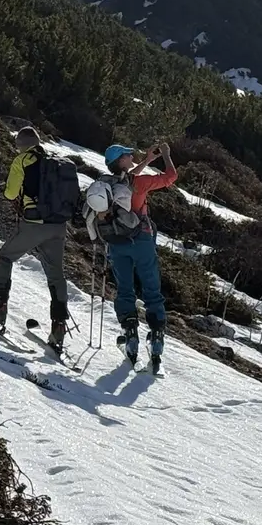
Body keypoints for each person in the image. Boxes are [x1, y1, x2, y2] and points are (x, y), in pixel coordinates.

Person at [87, 142, 178, 371]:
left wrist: (148, 160)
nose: (131, 157)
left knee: (125, 289)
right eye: (128, 155)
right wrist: (166, 155)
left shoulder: (108, 184)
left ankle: (131, 337)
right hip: (142, 241)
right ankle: (156, 339)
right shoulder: (139, 183)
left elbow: (128, 177)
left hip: (117, 244)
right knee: (151, 289)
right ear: (121, 160)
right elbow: (170, 177)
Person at [0, 127, 78, 351]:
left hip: (34, 224)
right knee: (56, 274)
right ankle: (58, 327)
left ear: (20, 145)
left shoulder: (22, 160)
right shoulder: (56, 161)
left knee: (5, 258)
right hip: (58, 225)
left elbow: (10, 193)